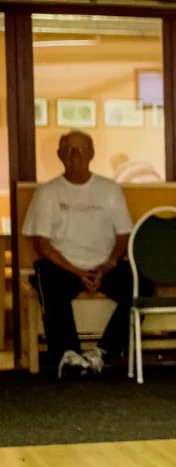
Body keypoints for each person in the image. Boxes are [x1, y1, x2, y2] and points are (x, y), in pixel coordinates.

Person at [23, 130, 138, 378]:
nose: (75, 154)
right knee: (47, 278)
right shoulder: (47, 192)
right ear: (59, 155)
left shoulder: (109, 189)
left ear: (92, 154)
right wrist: (77, 272)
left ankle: (103, 352)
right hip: (63, 267)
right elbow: (41, 243)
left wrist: (107, 265)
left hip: (104, 266)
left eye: (81, 149)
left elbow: (123, 235)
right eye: (69, 149)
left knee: (140, 285)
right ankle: (68, 354)